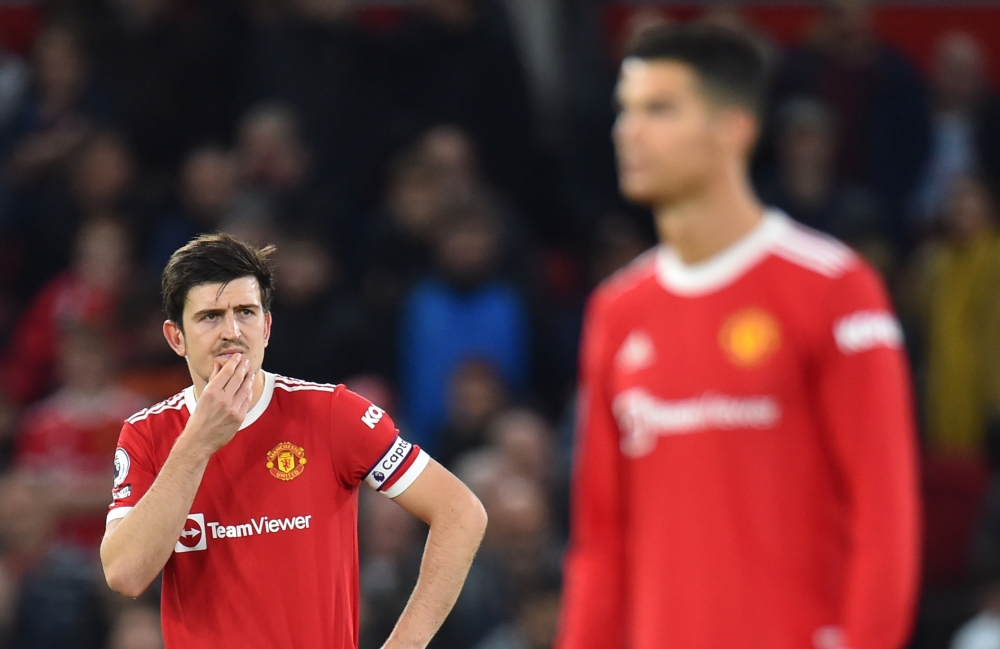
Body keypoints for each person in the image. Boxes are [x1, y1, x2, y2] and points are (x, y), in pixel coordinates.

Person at [558, 24, 920, 649]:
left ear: (735, 129)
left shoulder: (834, 288)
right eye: (625, 110)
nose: (628, 131)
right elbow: (600, 542)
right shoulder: (617, 311)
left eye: (659, 110)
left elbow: (885, 521)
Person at [99, 233, 488, 648]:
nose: (232, 331)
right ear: (176, 337)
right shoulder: (148, 434)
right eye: (210, 316)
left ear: (266, 327)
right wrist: (196, 444)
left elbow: (461, 513)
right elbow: (125, 574)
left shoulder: (331, 414)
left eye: (245, 312)